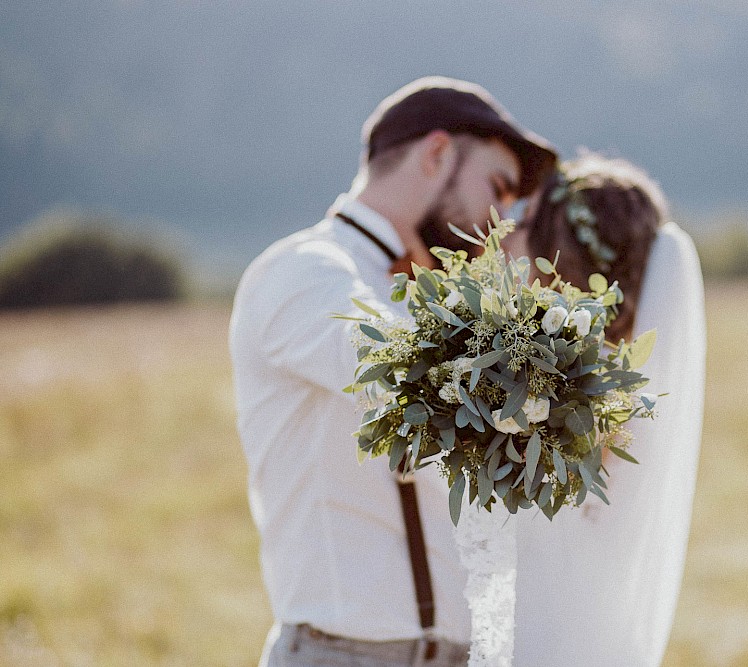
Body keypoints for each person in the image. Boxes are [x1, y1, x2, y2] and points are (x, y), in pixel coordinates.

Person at [228, 76, 556, 667]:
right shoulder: (301, 271)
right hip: (343, 656)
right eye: (498, 189)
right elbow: (409, 375)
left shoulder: (445, 296)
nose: (503, 221)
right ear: (436, 155)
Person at [505, 153, 707, 666]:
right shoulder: (630, 393)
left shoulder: (545, 398)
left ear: (553, 254)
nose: (505, 234)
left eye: (523, 223)